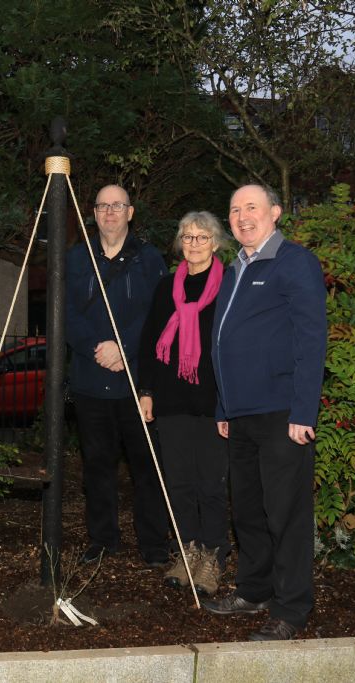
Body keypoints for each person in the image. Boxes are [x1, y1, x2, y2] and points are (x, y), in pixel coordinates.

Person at [203, 184, 327, 641]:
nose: (241, 216)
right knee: (250, 511)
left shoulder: (295, 263)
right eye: (234, 209)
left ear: (275, 212)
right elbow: (223, 341)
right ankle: (253, 591)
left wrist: (303, 410)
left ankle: (291, 610)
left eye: (251, 207)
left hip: (281, 413)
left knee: (286, 514)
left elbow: (311, 341)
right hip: (240, 413)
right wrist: (223, 405)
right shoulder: (236, 268)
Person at [65, 184, 170, 567]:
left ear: (130, 212)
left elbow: (159, 316)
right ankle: (103, 539)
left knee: (147, 467)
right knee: (96, 467)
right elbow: (66, 314)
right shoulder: (76, 259)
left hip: (136, 384)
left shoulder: (149, 260)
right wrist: (98, 347)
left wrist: (123, 350)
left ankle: (154, 544)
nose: (110, 212)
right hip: (91, 380)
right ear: (93, 213)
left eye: (118, 205)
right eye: (103, 206)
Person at [138, 211, 230, 595]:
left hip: (213, 400)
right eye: (187, 237)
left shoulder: (229, 285)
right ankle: (187, 552)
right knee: (178, 483)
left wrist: (232, 402)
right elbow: (148, 342)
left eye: (202, 237)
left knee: (210, 484)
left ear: (217, 242)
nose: (193, 244)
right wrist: (146, 391)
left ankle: (212, 559)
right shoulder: (165, 287)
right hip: (172, 399)